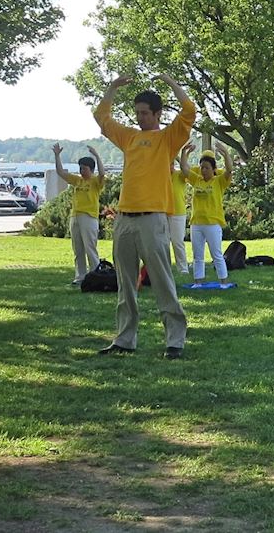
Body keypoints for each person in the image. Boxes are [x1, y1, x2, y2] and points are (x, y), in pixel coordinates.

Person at [93, 74, 195, 359]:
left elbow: (189, 111)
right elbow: (102, 117)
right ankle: (124, 339)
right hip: (125, 218)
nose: (140, 118)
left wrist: (172, 83)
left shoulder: (167, 138)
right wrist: (112, 88)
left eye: (145, 113)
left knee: (162, 280)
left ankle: (175, 340)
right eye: (137, 113)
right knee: (126, 283)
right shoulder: (129, 137)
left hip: (153, 218)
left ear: (158, 114)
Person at [54, 143, 106, 284]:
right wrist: (57, 156)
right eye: (80, 168)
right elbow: (61, 172)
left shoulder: (95, 181)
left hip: (89, 217)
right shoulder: (77, 180)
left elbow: (102, 173)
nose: (82, 171)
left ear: (91, 169)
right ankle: (80, 277)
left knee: (90, 248)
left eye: (84, 168)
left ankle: (96, 276)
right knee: (78, 249)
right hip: (75, 216)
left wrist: (96, 156)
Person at [184, 144, 233, 286]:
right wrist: (185, 153)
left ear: (213, 169)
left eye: (206, 167)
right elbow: (184, 169)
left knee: (216, 255)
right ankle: (198, 282)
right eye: (202, 167)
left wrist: (225, 154)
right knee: (197, 256)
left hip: (212, 223)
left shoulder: (219, 181)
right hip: (196, 223)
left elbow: (229, 170)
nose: (203, 170)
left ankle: (223, 282)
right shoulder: (197, 180)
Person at [168, 145, 192, 274]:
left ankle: (183, 268)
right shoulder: (160, 176)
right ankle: (165, 268)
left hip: (178, 213)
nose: (169, 167)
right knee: (162, 243)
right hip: (163, 212)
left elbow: (185, 168)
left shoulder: (179, 175)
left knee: (177, 242)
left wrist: (181, 155)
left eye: (171, 164)